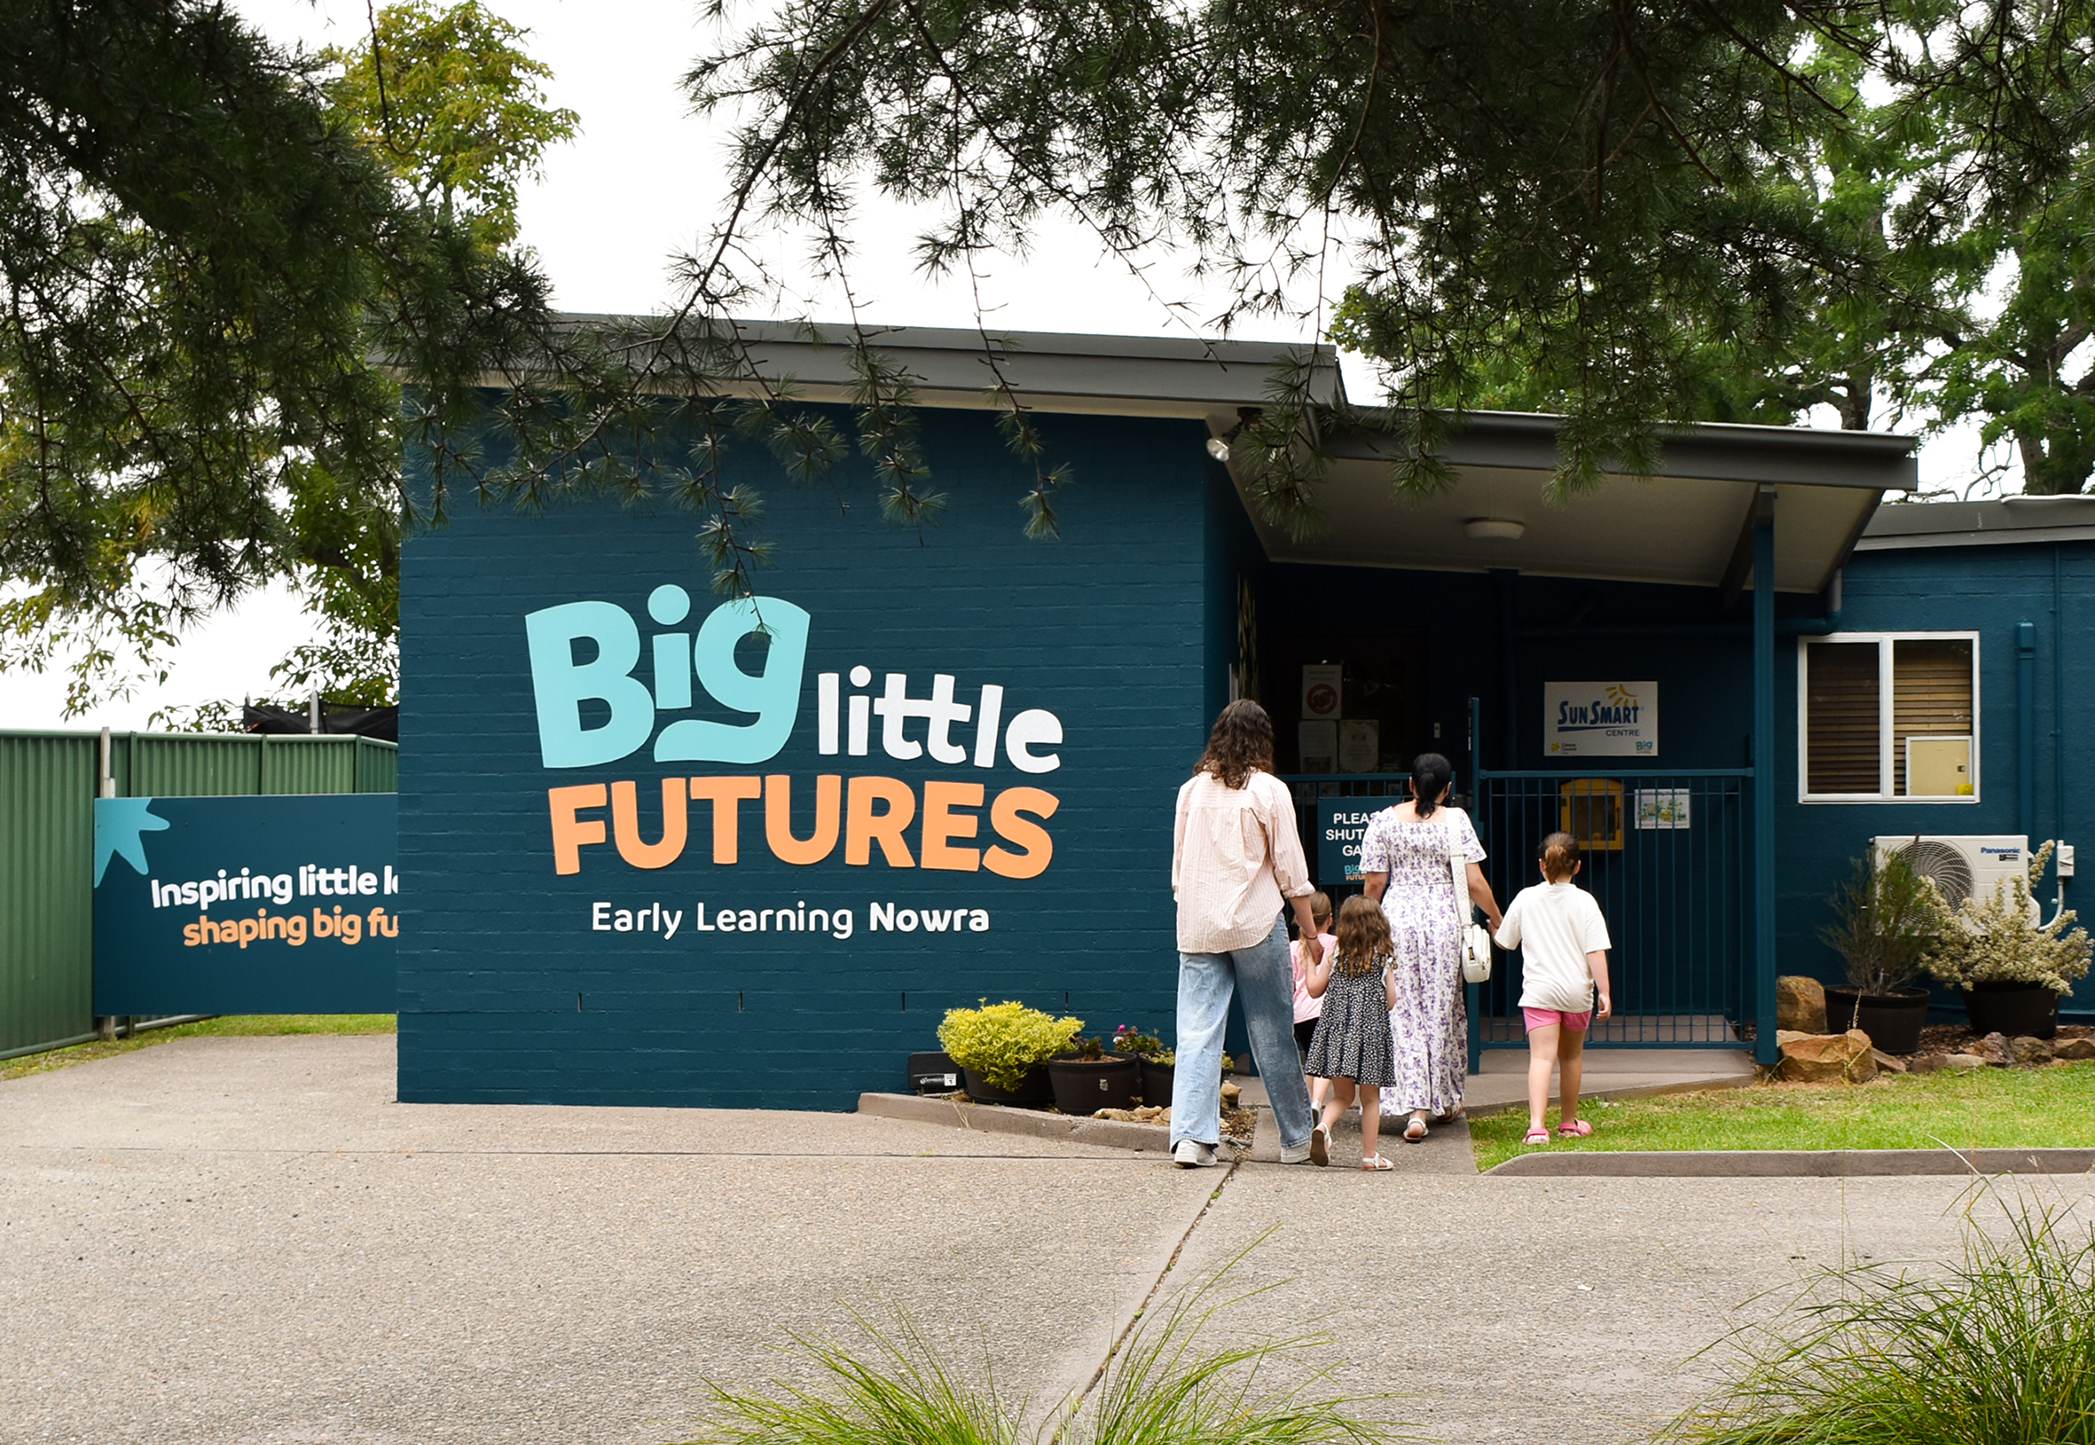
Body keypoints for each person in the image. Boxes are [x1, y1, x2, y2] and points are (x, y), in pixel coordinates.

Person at [1169, 699, 1322, 1168]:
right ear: (1263, 739)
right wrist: (1310, 932)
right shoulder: (1269, 790)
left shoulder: (1190, 791)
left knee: (1197, 1032)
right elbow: (1292, 871)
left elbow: (1179, 868)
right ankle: (1296, 1139)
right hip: (1254, 923)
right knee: (1272, 1031)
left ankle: (1192, 1140)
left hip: (1198, 926)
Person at [1359, 752, 1504, 1143]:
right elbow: (1474, 882)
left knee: (1403, 1013)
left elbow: (1374, 883)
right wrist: (1496, 917)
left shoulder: (1383, 822)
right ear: (1447, 788)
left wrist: (1366, 928)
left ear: (1410, 783)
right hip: (1443, 924)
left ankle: (1414, 1108)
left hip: (1397, 924)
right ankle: (1440, 1100)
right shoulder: (1456, 821)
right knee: (1440, 1011)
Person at [1495, 830, 1613, 1145]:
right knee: (1571, 1057)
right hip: (1576, 992)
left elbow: (1505, 941)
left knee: (1541, 1058)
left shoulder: (1526, 898)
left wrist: (1495, 929)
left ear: (1541, 864)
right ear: (1577, 866)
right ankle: (1568, 1123)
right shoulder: (1585, 901)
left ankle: (1536, 1127)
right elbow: (1595, 950)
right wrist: (1604, 992)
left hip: (1540, 992)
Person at [1301, 894, 1401, 1169]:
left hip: (1338, 1037)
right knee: (1370, 1099)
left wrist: (1309, 959)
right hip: (1370, 1038)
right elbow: (1391, 1000)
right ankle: (1369, 1157)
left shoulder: (1335, 954)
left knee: (1342, 1096)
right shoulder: (1383, 957)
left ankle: (1323, 1127)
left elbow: (1314, 989)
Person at [1289, 891, 1336, 1109]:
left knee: (1311, 1059)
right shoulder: (1336, 943)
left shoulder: (1293, 947)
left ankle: (1308, 1107)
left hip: (1301, 1014)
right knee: (1326, 1061)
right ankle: (1317, 1102)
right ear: (1330, 919)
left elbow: (1289, 983)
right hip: (1328, 1011)